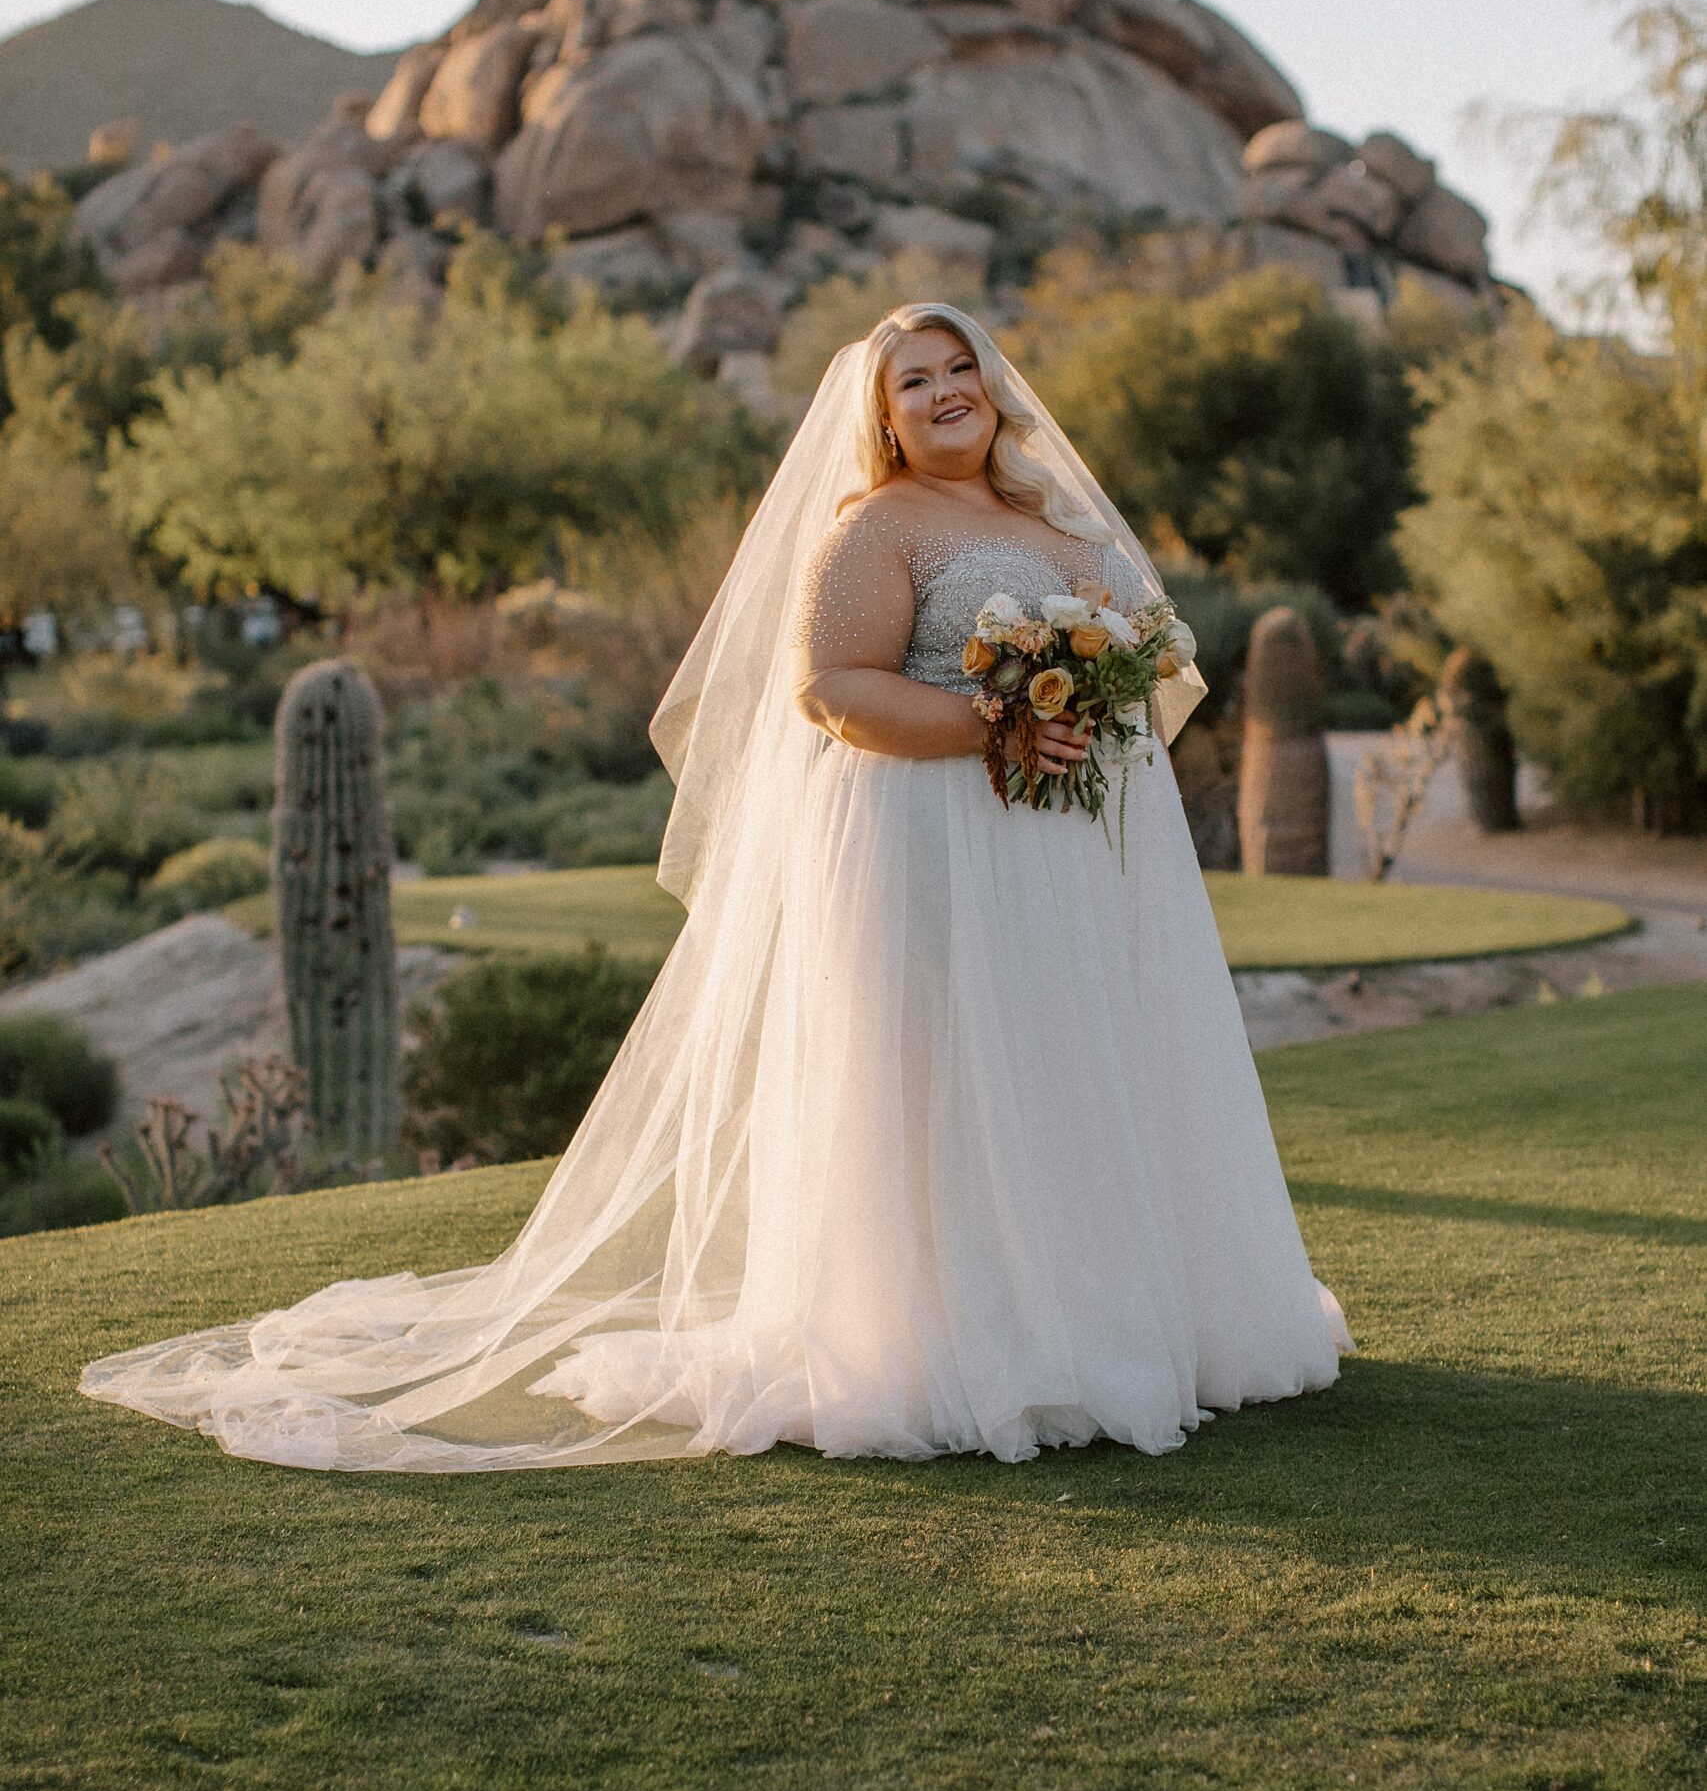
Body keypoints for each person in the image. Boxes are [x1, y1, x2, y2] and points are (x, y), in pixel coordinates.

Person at [81, 302, 1350, 1471]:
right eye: (919, 377)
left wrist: (1094, 705)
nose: (949, 387)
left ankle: (1132, 1315)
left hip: (1075, 861)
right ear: (886, 415)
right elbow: (831, 688)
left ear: (1000, 388)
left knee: (1083, 1067)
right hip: (939, 854)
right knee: (955, 1081)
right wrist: (994, 722)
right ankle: (966, 1342)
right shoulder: (877, 526)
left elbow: (1150, 664)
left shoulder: (1067, 529)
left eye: (964, 365)